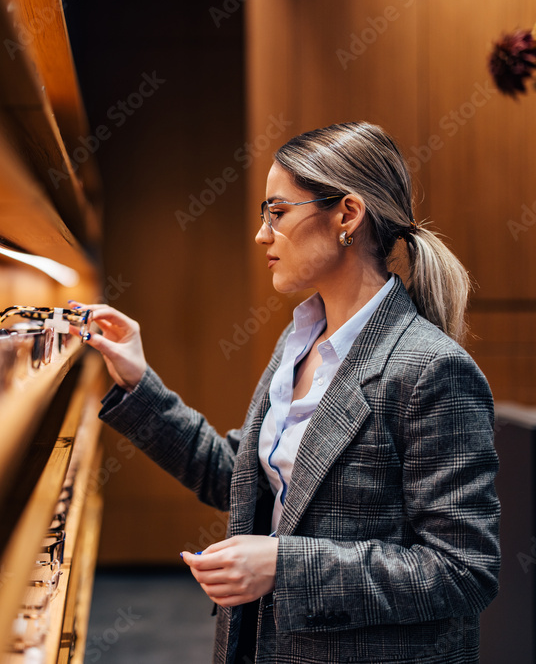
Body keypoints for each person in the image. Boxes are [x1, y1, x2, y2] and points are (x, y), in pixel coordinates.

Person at [69, 122, 500, 663]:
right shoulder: (300, 342)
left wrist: (282, 565)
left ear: (347, 214)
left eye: (277, 213)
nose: (262, 234)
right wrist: (137, 380)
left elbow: (463, 571)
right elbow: (245, 480)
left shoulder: (431, 368)